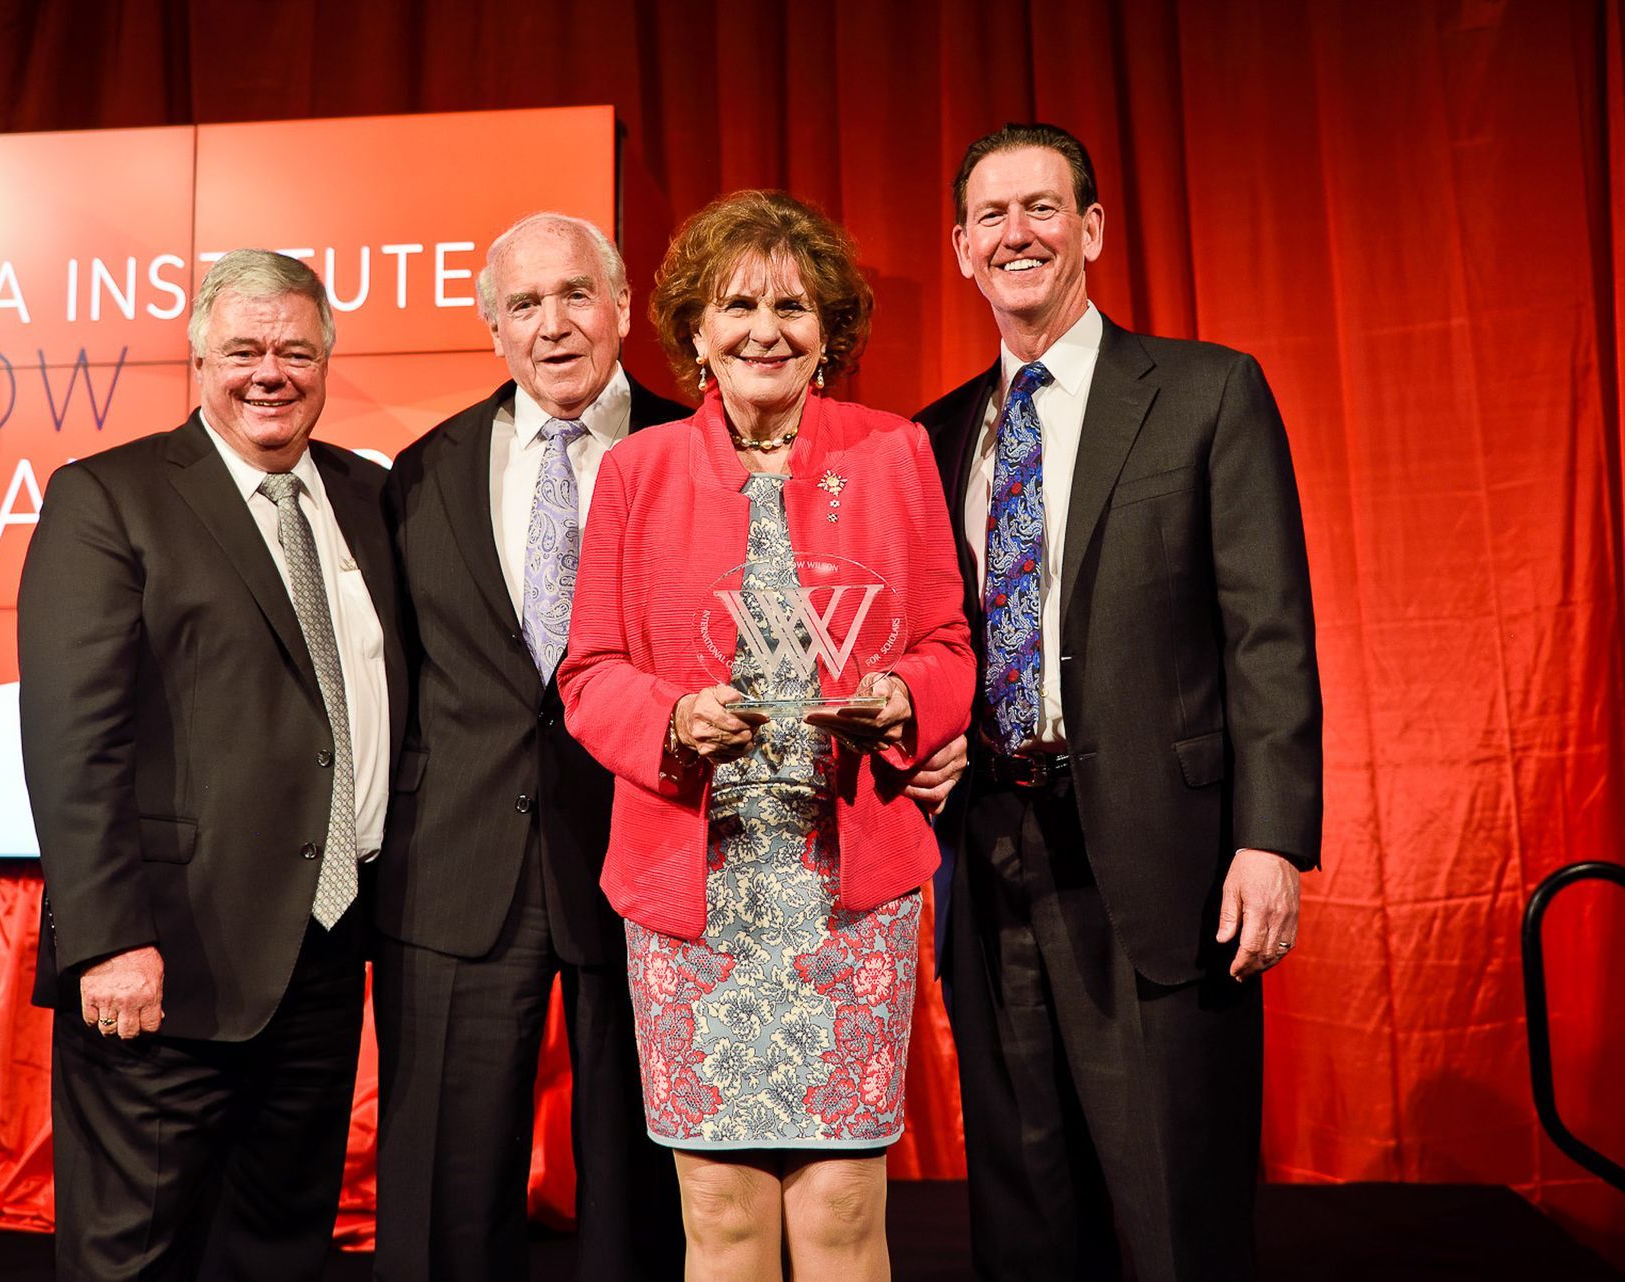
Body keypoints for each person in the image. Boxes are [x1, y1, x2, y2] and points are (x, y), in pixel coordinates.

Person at [912, 122, 1322, 1282]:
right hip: (988, 860)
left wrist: (1272, 840)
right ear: (961, 249)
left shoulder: (1205, 392)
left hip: (1162, 861)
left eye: (1042, 208)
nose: (1017, 234)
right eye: (991, 217)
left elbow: (1268, 631)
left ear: (1090, 229)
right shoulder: (936, 436)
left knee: (1175, 1217)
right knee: (1025, 1218)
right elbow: (934, 641)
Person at [559, 190, 972, 1282]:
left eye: (792, 306)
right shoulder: (637, 471)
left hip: (850, 890)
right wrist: (672, 719)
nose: (764, 330)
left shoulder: (895, 453)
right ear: (695, 331)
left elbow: (948, 643)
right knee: (723, 1215)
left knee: (841, 1211)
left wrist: (904, 696)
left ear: (829, 331)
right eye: (738, 305)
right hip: (693, 895)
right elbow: (589, 672)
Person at [19, 249, 405, 1281]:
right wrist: (109, 940)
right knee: (133, 1256)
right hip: (165, 962)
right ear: (198, 361)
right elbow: (73, 741)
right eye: (243, 351)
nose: (269, 372)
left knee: (279, 1247)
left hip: (327, 952)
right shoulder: (111, 496)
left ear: (327, 362)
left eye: (295, 351)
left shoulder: (373, 496)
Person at [372, 212, 685, 1282]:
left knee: (649, 1200)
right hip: (457, 871)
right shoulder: (422, 471)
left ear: (623, 307)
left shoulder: (698, 451)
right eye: (524, 304)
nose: (553, 325)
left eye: (575, 294)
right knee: (442, 1202)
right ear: (493, 328)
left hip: (650, 861)